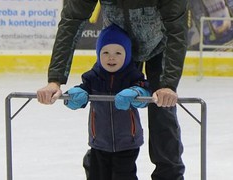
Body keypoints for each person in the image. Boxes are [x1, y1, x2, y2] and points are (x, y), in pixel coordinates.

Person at [37, 0, 188, 179]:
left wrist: (168, 85)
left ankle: (169, 175)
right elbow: (72, 20)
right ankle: (99, 169)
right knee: (108, 110)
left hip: (160, 46)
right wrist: (55, 79)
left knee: (163, 116)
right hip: (117, 49)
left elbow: (177, 30)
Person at [64, 24, 150, 180]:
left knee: (124, 176)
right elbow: (83, 89)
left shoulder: (133, 76)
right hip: (99, 142)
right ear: (98, 54)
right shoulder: (92, 77)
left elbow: (145, 93)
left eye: (118, 52)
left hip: (127, 142)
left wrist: (135, 93)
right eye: (105, 52)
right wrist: (75, 96)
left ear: (127, 55)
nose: (111, 57)